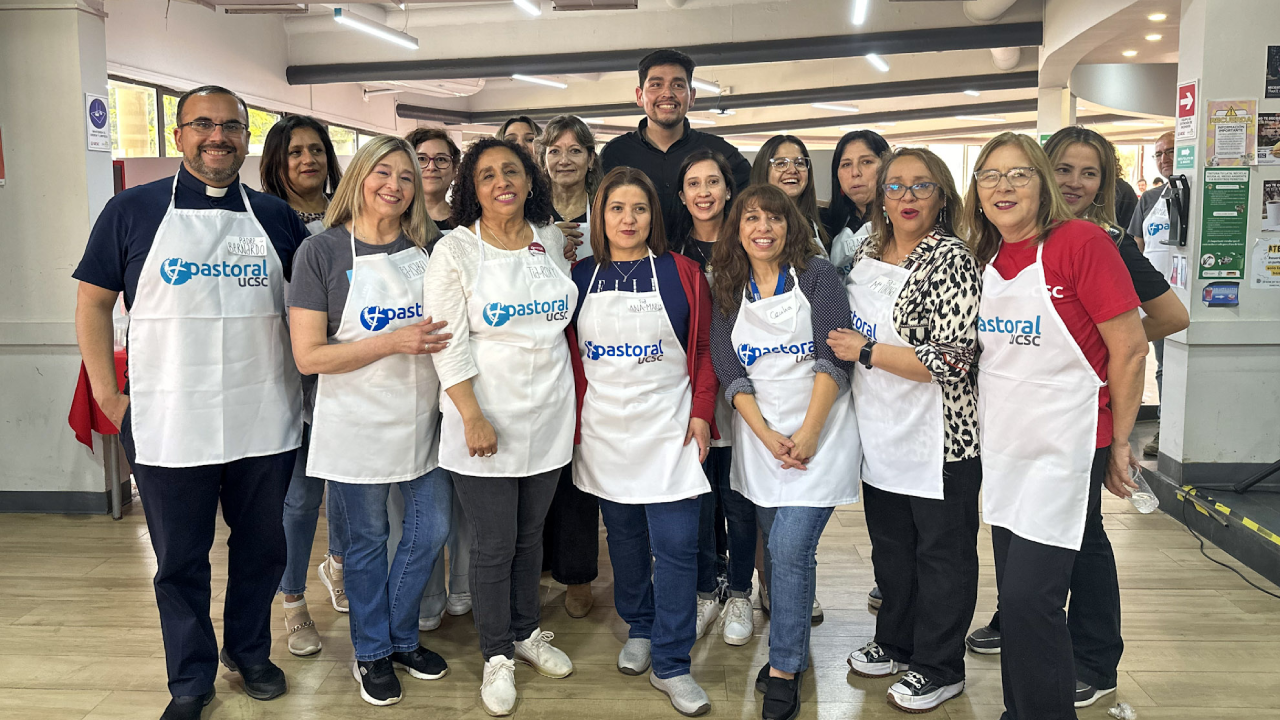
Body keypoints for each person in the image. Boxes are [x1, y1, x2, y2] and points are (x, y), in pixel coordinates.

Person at [73, 85, 307, 720]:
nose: (217, 137)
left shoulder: (276, 217)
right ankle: (190, 677)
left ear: (246, 139)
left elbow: (309, 308)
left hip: (264, 414)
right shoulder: (131, 210)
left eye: (231, 126)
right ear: (178, 135)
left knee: (262, 550)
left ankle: (249, 653)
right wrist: (107, 394)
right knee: (179, 559)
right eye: (203, 124)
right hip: (169, 418)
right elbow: (93, 302)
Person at [965, 127, 1188, 709]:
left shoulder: (1082, 242)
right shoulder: (988, 255)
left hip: (1065, 447)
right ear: (977, 190)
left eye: (1019, 174)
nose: (1004, 186)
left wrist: (1120, 442)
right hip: (1007, 449)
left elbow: (1131, 348)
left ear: (1041, 184)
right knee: (1018, 601)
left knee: (1029, 600)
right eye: (991, 175)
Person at [288, 135, 451, 706]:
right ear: (358, 176)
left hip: (423, 418)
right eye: (383, 172)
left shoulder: (428, 247)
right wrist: (392, 342)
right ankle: (373, 652)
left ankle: (401, 637)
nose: (395, 185)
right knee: (366, 543)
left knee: (431, 529)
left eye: (406, 177)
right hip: (354, 423)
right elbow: (309, 356)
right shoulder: (321, 252)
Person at [422, 137, 577, 717]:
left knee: (530, 537)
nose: (501, 182)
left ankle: (526, 631)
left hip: (549, 412)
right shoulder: (455, 251)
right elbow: (446, 343)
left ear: (530, 180)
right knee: (494, 544)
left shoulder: (550, 239)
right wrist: (472, 415)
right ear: (472, 188)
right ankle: (496, 655)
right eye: (486, 175)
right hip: (484, 416)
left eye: (511, 171)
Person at [830, 148, 981, 714]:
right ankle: (895, 641)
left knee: (942, 557)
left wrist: (867, 350)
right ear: (881, 197)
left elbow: (953, 358)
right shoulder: (869, 248)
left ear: (942, 196)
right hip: (882, 430)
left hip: (939, 439)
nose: (907, 197)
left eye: (922, 186)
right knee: (893, 549)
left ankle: (941, 667)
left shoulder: (952, 260)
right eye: (895, 186)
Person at [568, 167, 717, 716]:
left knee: (676, 546)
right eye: (616, 209)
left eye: (639, 209)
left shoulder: (683, 273)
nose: (628, 219)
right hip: (605, 430)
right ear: (600, 217)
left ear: (654, 216)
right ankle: (641, 625)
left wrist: (702, 414)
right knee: (625, 538)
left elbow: (704, 349)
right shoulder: (580, 276)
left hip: (670, 429)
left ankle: (673, 661)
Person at [708, 184, 861, 720]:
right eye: (752, 218)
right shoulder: (729, 285)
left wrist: (810, 433)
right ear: (738, 228)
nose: (763, 228)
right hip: (763, 441)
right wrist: (767, 435)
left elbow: (833, 356)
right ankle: (791, 646)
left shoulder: (818, 277)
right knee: (779, 554)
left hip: (822, 435)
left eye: (774, 218)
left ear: (790, 224)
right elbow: (728, 366)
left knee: (791, 548)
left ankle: (784, 669)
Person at [259, 115, 348, 658]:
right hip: (285, 375)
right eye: (295, 152)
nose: (308, 160)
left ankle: (336, 565)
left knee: (347, 489)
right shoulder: (262, 218)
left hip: (346, 372)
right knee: (298, 499)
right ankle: (292, 601)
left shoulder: (348, 212)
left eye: (316, 150)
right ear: (277, 161)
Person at [673, 149, 758, 646]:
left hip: (748, 393)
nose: (703, 192)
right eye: (693, 184)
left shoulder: (751, 241)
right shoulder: (670, 250)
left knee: (739, 500)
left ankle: (741, 591)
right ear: (682, 195)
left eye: (712, 182)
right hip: (694, 396)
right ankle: (706, 590)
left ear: (728, 190)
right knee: (699, 501)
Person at [531, 114, 606, 618]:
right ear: (542, 158)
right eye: (554, 151)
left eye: (575, 150)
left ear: (590, 158)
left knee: (581, 461)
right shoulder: (529, 213)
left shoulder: (606, 208)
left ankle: (577, 574)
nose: (564, 160)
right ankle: (538, 563)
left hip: (595, 346)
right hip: (541, 346)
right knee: (543, 462)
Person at [601, 48, 751, 239]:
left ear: (692, 96)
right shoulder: (615, 154)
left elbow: (754, 207)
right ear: (640, 96)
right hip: (633, 257)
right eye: (656, 85)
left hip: (709, 256)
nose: (667, 93)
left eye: (678, 85)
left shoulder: (721, 153)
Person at [1127, 131, 1175, 458]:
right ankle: (1165, 427)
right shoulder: (1149, 200)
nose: (1164, 159)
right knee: (1162, 365)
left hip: (1191, 297)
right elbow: (1137, 248)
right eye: (1158, 154)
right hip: (1155, 299)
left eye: (1170, 151)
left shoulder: (1197, 195)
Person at [823, 130, 891, 278]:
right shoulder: (826, 223)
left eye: (866, 162)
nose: (855, 172)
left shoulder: (901, 221)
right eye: (846, 164)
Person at [750, 134, 831, 256]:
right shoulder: (751, 226)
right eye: (781, 164)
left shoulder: (825, 221)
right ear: (763, 170)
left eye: (799, 163)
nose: (792, 170)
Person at [407, 127, 461, 235]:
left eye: (441, 159)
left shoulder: (469, 223)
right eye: (421, 159)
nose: (431, 167)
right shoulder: (393, 221)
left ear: (454, 170)